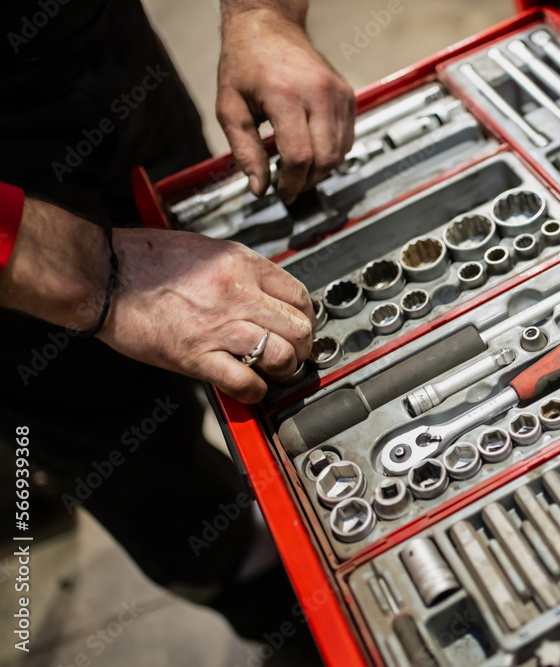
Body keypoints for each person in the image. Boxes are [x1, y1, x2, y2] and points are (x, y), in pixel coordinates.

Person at [0, 0, 355, 654]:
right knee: (150, 480)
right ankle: (282, 609)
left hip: (102, 64)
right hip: (13, 290)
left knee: (256, 356)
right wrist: (95, 275)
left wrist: (261, 16)